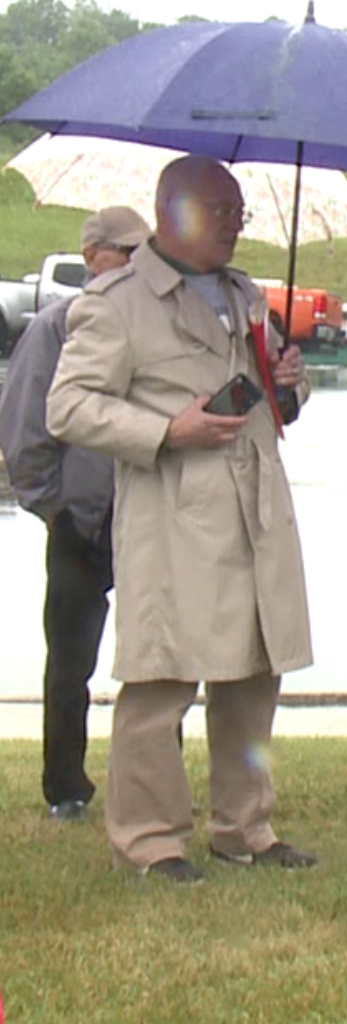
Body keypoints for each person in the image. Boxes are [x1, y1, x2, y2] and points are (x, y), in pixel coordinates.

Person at [45, 155, 316, 884]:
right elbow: (68, 406)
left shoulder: (247, 294)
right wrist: (168, 429)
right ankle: (151, 839)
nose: (236, 227)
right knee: (162, 681)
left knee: (254, 676)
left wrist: (287, 384)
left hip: (255, 514)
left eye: (240, 215)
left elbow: (265, 402)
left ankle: (245, 827)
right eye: (222, 213)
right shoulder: (117, 302)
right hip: (175, 519)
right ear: (172, 213)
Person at [0, 206, 149, 823]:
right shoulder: (56, 328)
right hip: (79, 524)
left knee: (155, 661)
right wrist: (53, 506)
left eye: (147, 253)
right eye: (128, 251)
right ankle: (65, 785)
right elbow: (24, 422)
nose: (139, 264)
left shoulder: (149, 326)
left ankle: (149, 783)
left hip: (145, 520)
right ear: (94, 256)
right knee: (70, 661)